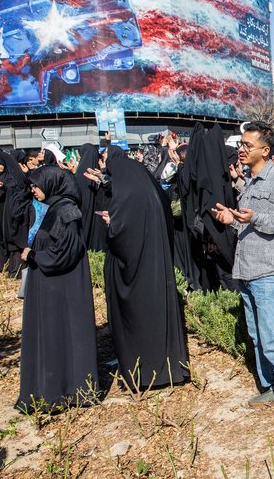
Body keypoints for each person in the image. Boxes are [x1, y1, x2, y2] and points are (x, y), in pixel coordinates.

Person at [211, 121, 274, 429]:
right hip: (249, 268)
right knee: (257, 336)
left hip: (269, 271)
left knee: (273, 339)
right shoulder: (251, 181)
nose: (241, 149)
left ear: (265, 150)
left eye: (247, 145)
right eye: (241, 144)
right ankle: (272, 387)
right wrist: (232, 219)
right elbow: (250, 224)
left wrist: (258, 217)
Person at [103, 146, 190, 390]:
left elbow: (122, 237)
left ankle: (145, 372)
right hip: (157, 269)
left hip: (137, 275)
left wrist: (112, 224)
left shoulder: (126, 197)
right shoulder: (149, 190)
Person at [16, 166, 99, 412]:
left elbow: (65, 252)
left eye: (36, 185)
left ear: (51, 183)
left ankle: (64, 390)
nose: (33, 190)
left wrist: (34, 256)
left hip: (61, 289)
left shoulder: (67, 212)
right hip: (52, 288)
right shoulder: (56, 208)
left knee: (61, 335)